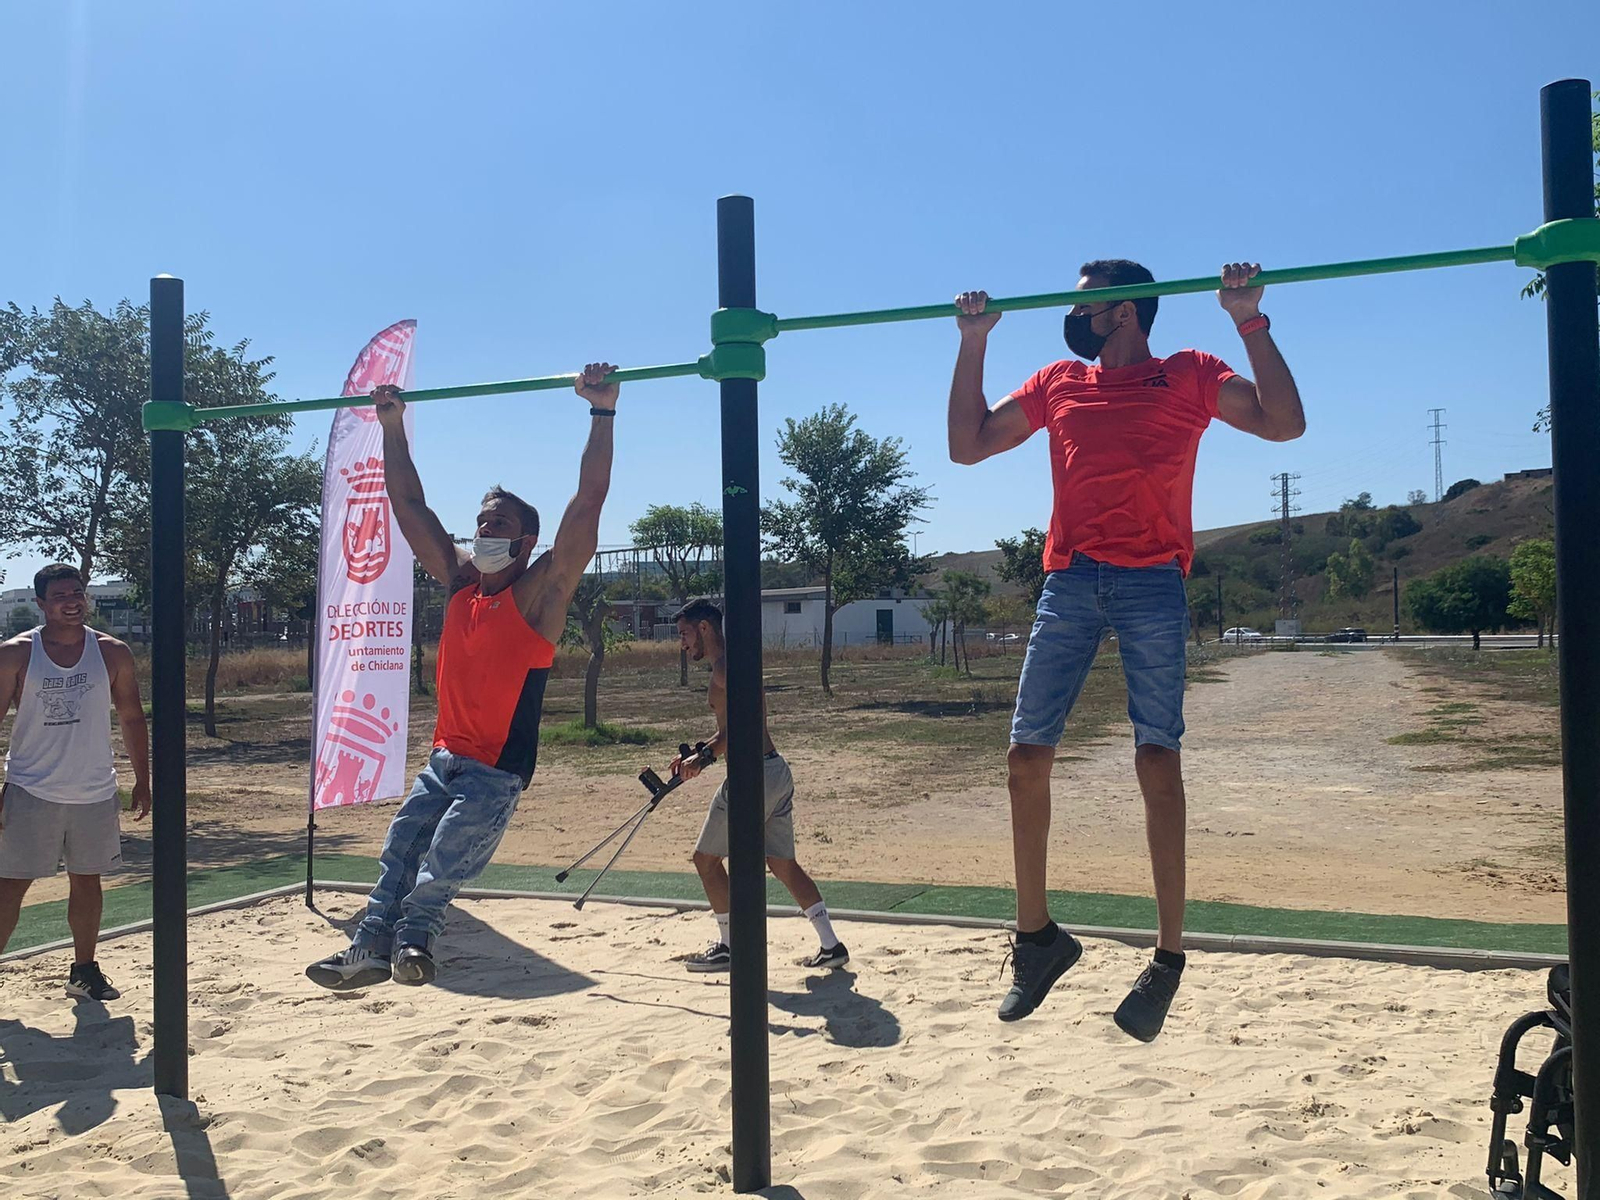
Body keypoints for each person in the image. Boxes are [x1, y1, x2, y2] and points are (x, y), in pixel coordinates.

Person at [947, 260, 1305, 1038]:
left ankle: (1168, 958)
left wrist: (1248, 319)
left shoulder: (1188, 375)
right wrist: (973, 343)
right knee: (1025, 759)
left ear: (1126, 312)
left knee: (1156, 759)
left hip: (1151, 583)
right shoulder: (1057, 382)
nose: (1072, 313)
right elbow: (967, 446)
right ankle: (1037, 940)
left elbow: (1284, 423)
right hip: (1071, 581)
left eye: (1085, 302)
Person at [307, 363, 622, 989]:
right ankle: (371, 947)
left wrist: (602, 412)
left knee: (444, 859)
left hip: (495, 770)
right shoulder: (457, 581)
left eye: (499, 523)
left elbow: (587, 503)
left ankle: (416, 939)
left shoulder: (540, 593)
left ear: (527, 539)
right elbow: (408, 505)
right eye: (481, 520)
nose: (485, 530)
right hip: (444, 758)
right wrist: (390, 426)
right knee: (399, 851)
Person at [0, 564, 151, 1000]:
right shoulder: (16, 653)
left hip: (94, 790)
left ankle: (84, 971)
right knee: (10, 884)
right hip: (31, 789)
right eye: (61, 594)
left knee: (88, 880)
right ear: (42, 603)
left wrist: (143, 779)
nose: (72, 600)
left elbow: (131, 715)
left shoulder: (111, 652)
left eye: (78, 592)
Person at [672, 599, 848, 973]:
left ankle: (729, 946)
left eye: (685, 634)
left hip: (753, 777)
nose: (683, 645)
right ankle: (832, 946)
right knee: (782, 864)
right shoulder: (730, 665)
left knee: (705, 860)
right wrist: (699, 753)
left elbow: (742, 727)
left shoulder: (726, 668)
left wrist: (702, 760)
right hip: (775, 771)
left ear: (705, 628)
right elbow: (728, 730)